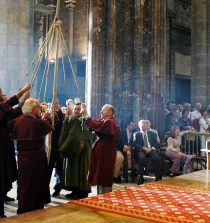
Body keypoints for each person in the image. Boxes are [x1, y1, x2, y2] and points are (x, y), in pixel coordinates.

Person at [8, 98, 52, 214]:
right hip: (36, 161)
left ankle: (23, 207)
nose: (40, 110)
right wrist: (47, 116)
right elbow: (47, 125)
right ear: (33, 109)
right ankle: (34, 210)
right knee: (35, 186)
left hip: (22, 160)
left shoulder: (16, 122)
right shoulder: (37, 123)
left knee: (24, 185)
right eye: (39, 108)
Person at [0, 85, 31, 218]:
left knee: (3, 178)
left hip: (4, 148)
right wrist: (22, 92)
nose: (2, 92)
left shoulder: (3, 109)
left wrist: (24, 101)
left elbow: (13, 112)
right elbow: (8, 104)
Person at [81, 104, 119, 194]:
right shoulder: (104, 120)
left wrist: (86, 115)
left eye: (104, 110)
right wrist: (86, 117)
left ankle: (105, 196)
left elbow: (97, 125)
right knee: (99, 173)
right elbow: (95, 124)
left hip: (106, 152)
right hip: (102, 151)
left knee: (104, 174)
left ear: (110, 112)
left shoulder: (110, 122)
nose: (101, 112)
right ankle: (100, 195)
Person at [59, 102, 92, 199]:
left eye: (79, 109)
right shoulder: (72, 119)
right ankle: (74, 190)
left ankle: (82, 191)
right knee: (72, 171)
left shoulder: (84, 120)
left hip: (82, 151)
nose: (77, 111)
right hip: (72, 149)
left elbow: (85, 133)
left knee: (81, 170)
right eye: (75, 109)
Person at [132, 119, 162, 185]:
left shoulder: (153, 133)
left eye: (145, 124)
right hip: (141, 150)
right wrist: (143, 148)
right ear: (139, 126)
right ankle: (141, 178)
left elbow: (157, 143)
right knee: (141, 158)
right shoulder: (136, 134)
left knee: (156, 158)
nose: (144, 125)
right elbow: (134, 144)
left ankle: (158, 177)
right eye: (142, 124)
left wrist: (151, 148)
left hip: (151, 149)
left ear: (147, 125)